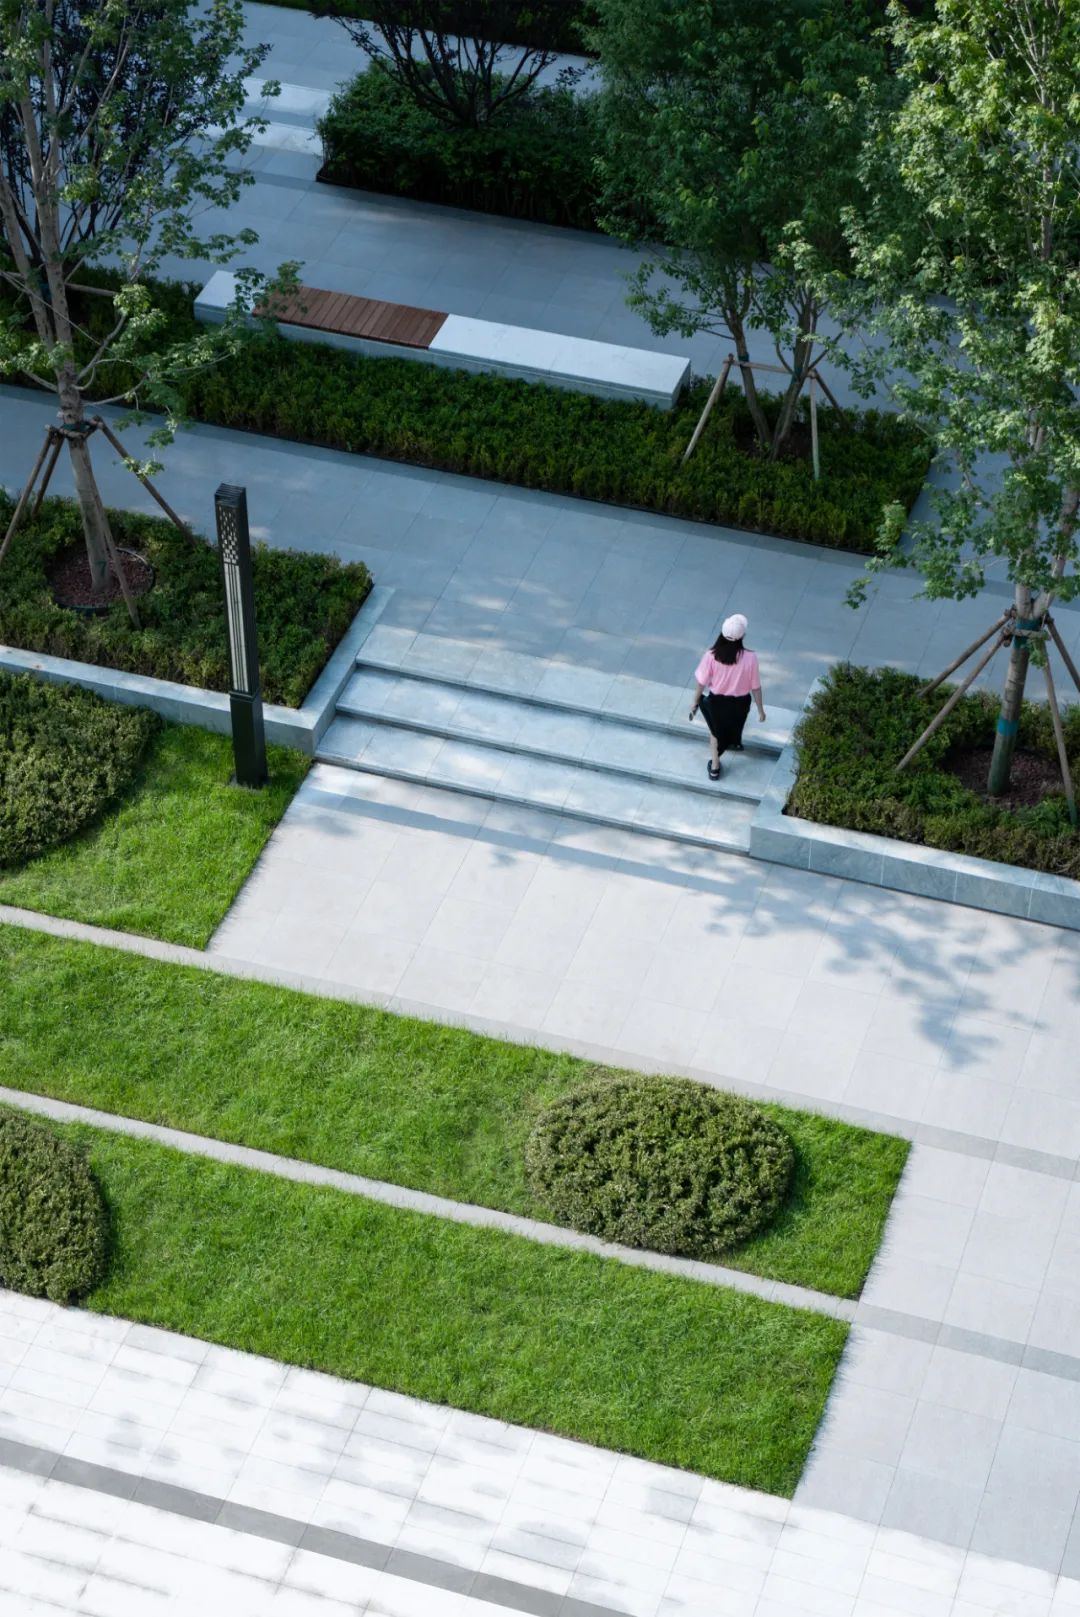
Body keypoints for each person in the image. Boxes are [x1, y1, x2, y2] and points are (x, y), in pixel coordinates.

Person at [688, 613, 766, 779]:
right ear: (742, 636)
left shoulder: (711, 655)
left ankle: (715, 767)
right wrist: (760, 710)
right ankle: (733, 743)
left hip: (717, 702)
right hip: (741, 703)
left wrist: (695, 702)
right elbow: (756, 687)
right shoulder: (751, 658)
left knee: (715, 732)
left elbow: (701, 682)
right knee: (734, 725)